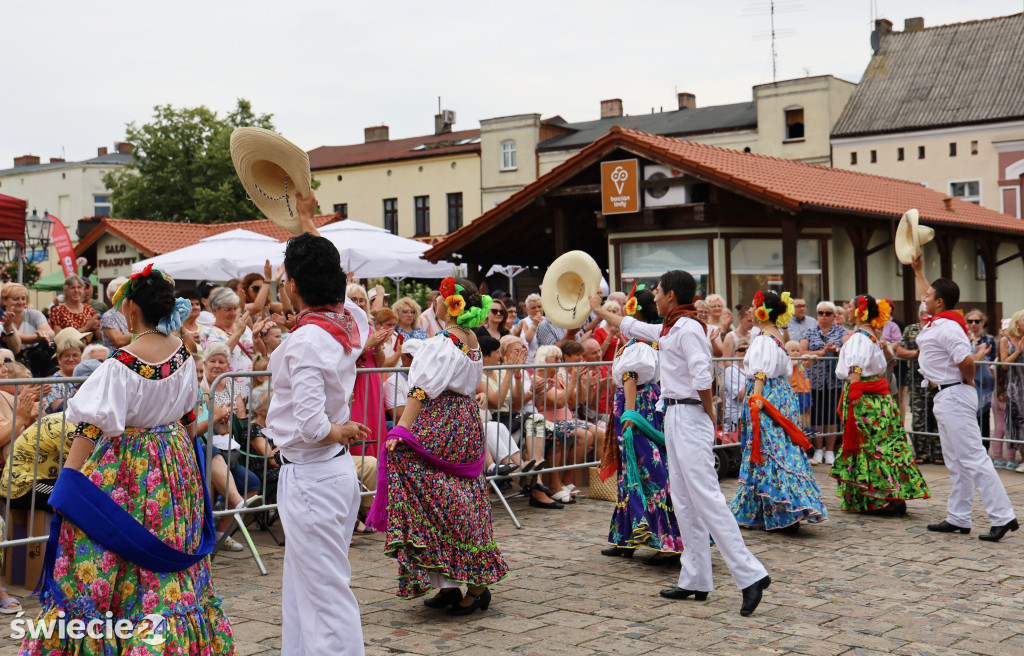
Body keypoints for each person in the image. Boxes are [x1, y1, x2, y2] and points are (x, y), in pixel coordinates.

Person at [23, 264, 233, 654]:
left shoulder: (120, 364)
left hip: (129, 468)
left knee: (111, 547)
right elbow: (188, 419)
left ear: (132, 309)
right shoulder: (184, 356)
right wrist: (186, 468)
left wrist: (68, 482)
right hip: (175, 462)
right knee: (167, 543)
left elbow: (90, 428)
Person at [589, 271, 770, 616]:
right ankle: (695, 578)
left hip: (688, 415)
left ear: (670, 295)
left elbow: (703, 374)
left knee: (706, 497)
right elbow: (630, 325)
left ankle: (750, 575)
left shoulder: (687, 329)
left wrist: (707, 413)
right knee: (683, 500)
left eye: (657, 291)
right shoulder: (672, 327)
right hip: (674, 414)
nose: (653, 296)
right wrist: (598, 309)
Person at [262, 191, 372, 656]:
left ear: (291, 285)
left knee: (324, 592)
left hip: (312, 472)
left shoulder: (308, 339)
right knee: (309, 588)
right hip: (327, 470)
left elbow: (309, 424)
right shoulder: (349, 320)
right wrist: (308, 222)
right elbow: (328, 274)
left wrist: (335, 429)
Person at [369, 276, 509, 615]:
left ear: (451, 304)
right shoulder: (471, 339)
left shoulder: (445, 342)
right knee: (460, 496)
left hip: (441, 420)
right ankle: (447, 582)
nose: (437, 300)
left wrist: (401, 430)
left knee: (446, 498)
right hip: (462, 420)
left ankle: (474, 584)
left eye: (442, 297)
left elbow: (420, 390)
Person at [910, 256, 1018, 541]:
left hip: (954, 391)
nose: (925, 299)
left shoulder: (948, 327)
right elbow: (924, 292)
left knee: (972, 457)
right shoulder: (938, 320)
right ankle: (959, 517)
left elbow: (966, 360)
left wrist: (966, 380)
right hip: (947, 393)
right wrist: (918, 270)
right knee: (956, 460)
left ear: (940, 302)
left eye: (930, 296)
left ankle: (1003, 516)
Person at [728, 290, 827, 532]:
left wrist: (757, 398)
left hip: (768, 397)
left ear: (763, 311)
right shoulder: (776, 336)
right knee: (778, 449)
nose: (751, 310)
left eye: (754, 306)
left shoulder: (763, 338)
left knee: (768, 449)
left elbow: (760, 371)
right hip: (780, 396)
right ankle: (774, 509)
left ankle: (784, 510)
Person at [599, 286, 683, 565]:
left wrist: (630, 418)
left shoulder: (638, 345)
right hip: (643, 406)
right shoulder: (645, 342)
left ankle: (665, 541)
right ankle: (626, 538)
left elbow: (631, 378)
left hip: (638, 410)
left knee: (647, 470)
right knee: (632, 470)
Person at [832, 295, 930, 515]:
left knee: (870, 445)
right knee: (879, 445)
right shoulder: (870, 337)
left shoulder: (859, 338)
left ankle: (886, 498)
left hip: (865, 398)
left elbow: (855, 368)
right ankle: (876, 498)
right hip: (875, 397)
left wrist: (855, 394)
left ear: (859, 312)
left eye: (850, 306)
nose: (847, 310)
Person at [800, 301, 846, 465]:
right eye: (821, 313)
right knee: (817, 416)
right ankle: (818, 450)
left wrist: (837, 350)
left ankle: (830, 450)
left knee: (832, 416)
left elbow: (847, 348)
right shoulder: (809, 331)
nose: (824, 316)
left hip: (834, 381)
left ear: (834, 316)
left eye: (828, 313)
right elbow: (802, 352)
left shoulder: (841, 331)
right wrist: (823, 352)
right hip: (815, 380)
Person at [896, 310, 941, 464]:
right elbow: (900, 350)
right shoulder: (911, 329)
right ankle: (921, 452)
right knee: (918, 417)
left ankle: (938, 452)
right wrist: (916, 353)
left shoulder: (939, 328)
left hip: (938, 380)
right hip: (917, 382)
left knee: (938, 416)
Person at [3, 282, 55, 376]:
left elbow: (50, 333)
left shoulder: (34, 314)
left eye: (23, 298)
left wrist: (44, 334)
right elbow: (19, 340)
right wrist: (38, 337)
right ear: (4, 301)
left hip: (37, 362)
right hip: (11, 365)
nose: (21, 302)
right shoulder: (2, 319)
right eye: (16, 299)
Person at [965, 309, 997, 443]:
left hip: (984, 383)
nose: (973, 324)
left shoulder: (989, 339)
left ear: (982, 322)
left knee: (984, 418)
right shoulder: (963, 339)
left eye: (977, 321)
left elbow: (995, 359)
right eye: (970, 321)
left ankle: (984, 446)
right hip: (968, 382)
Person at [998, 310, 1024, 471]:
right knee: (1018, 423)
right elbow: (1004, 364)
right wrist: (1019, 351)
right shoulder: (1005, 340)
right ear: (1017, 324)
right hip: (1015, 387)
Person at [42, 327, 90, 412]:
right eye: (67, 356)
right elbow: (59, 409)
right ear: (59, 360)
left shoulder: (89, 376)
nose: (71, 359)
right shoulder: (52, 384)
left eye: (75, 355)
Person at [721, 338, 748, 431]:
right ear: (735, 353)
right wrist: (754, 379)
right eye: (742, 350)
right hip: (736, 415)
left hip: (751, 413)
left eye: (749, 349)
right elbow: (740, 396)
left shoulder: (753, 370)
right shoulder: (731, 370)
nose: (746, 352)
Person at [99, 276, 131, 349]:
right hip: (117, 357)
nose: (127, 293)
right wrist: (143, 331)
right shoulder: (109, 316)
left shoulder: (134, 312)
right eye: (123, 290)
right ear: (112, 295)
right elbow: (119, 341)